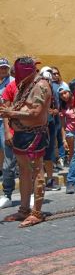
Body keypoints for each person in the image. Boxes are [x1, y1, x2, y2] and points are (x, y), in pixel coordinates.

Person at [0, 56, 51, 226]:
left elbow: (35, 112)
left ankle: (36, 212)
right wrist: (9, 112)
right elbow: (17, 105)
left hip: (35, 135)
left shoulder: (41, 85)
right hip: (21, 135)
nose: (14, 75)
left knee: (37, 170)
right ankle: (24, 209)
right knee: (24, 172)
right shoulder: (24, 85)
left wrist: (11, 113)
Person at [0, 63, 16, 210]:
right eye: (1, 68)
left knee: (28, 164)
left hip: (16, 125)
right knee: (8, 161)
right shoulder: (10, 86)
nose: (3, 70)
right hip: (6, 124)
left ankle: (31, 194)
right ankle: (7, 194)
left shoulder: (12, 83)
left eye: (5, 68)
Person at [58, 83, 75, 164]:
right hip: (70, 131)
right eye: (61, 95)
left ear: (69, 92)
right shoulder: (63, 106)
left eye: (65, 93)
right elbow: (62, 125)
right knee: (72, 152)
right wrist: (63, 139)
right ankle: (73, 170)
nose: (63, 96)